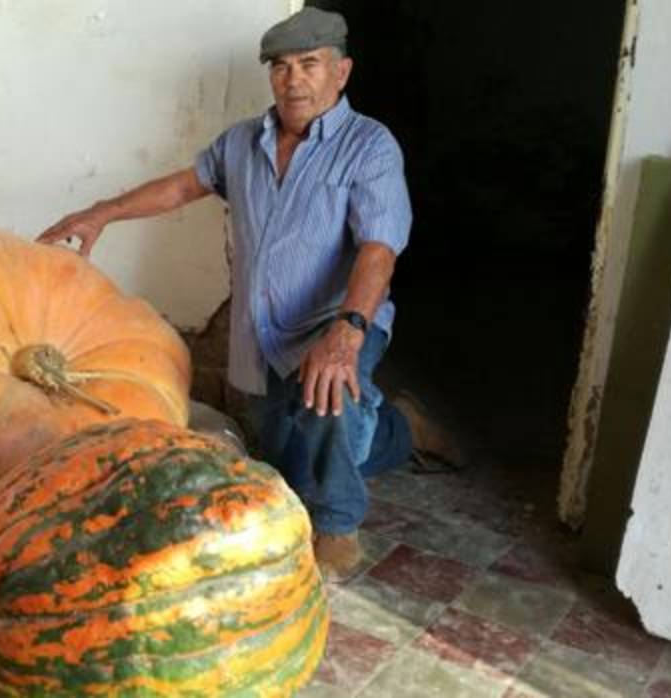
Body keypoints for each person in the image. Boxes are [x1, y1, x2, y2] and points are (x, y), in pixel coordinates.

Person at [39, 7, 456, 580]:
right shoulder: (243, 142)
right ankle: (403, 428)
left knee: (328, 400)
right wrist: (100, 213)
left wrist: (347, 332)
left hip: (334, 320)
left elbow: (378, 249)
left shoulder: (369, 146)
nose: (293, 80)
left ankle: (337, 523)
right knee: (289, 458)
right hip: (262, 332)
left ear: (342, 72)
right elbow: (184, 186)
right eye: (281, 67)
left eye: (310, 64)